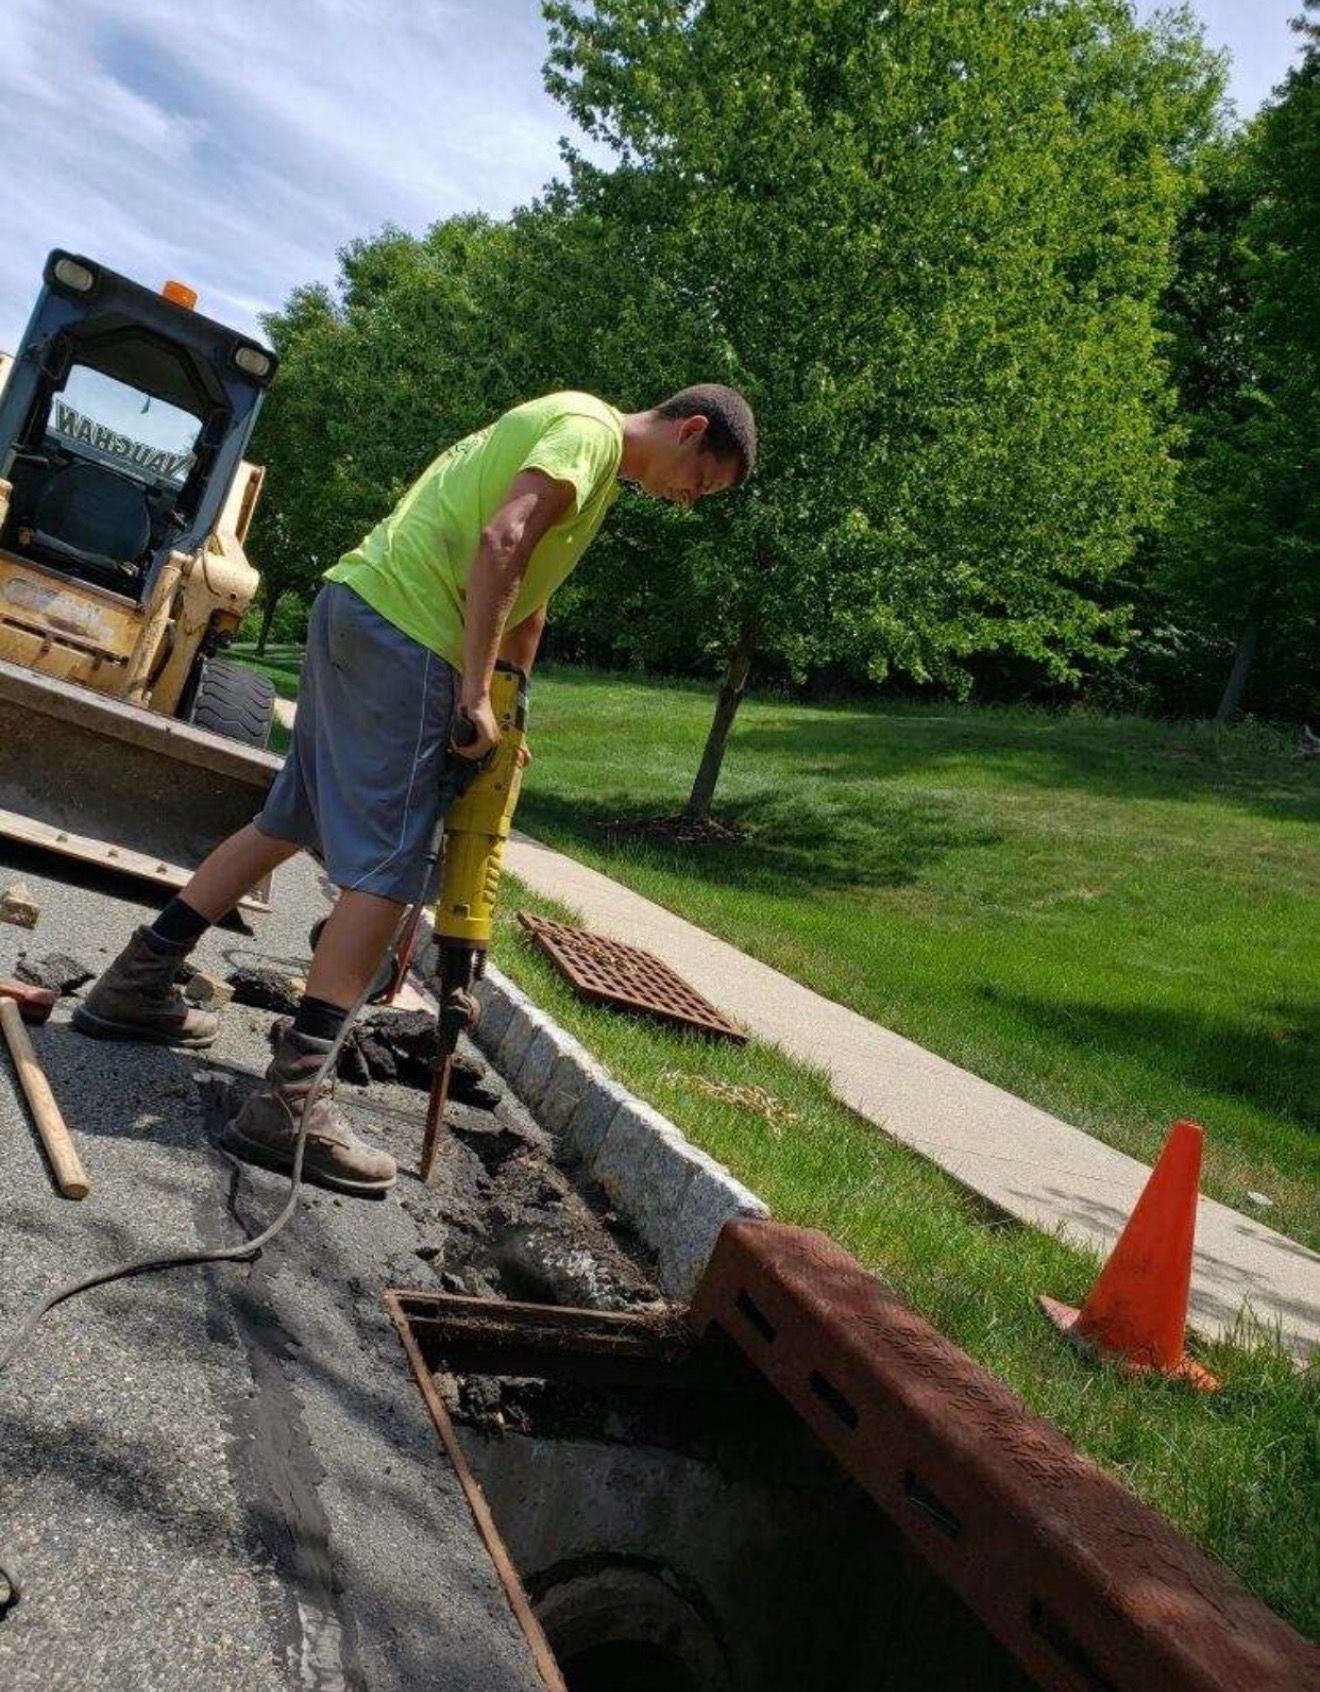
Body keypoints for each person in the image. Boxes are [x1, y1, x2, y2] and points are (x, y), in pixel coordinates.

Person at [73, 385, 757, 1195]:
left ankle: (135, 983)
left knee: (287, 818)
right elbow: (501, 544)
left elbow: (525, 610)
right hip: (412, 636)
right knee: (390, 872)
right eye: (703, 482)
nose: (691, 500)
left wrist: (508, 712)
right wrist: (471, 690)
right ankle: (289, 1103)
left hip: (357, 607)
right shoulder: (589, 436)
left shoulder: (582, 462)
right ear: (691, 431)